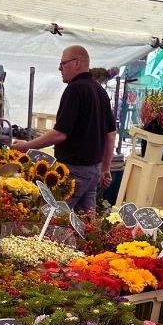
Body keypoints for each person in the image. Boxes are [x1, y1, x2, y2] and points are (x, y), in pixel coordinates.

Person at [12, 46, 115, 211]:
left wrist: (26, 146)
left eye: (62, 64)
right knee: (85, 222)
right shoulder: (100, 91)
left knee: (51, 217)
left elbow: (60, 134)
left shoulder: (74, 89)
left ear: (76, 63)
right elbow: (111, 134)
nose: (60, 68)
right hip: (93, 171)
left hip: (74, 171)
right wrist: (105, 168)